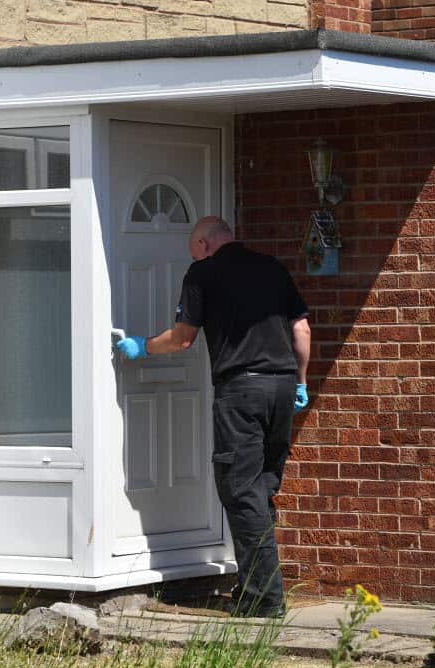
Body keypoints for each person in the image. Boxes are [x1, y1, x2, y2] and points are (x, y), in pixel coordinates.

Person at [116, 216, 310, 618]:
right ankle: (253, 585)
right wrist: (300, 382)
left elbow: (183, 337)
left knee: (240, 489)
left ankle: (264, 598)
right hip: (282, 387)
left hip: (241, 391)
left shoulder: (203, 272)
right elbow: (303, 331)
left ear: (203, 244)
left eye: (193, 250)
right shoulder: (273, 268)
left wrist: (144, 346)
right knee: (260, 488)